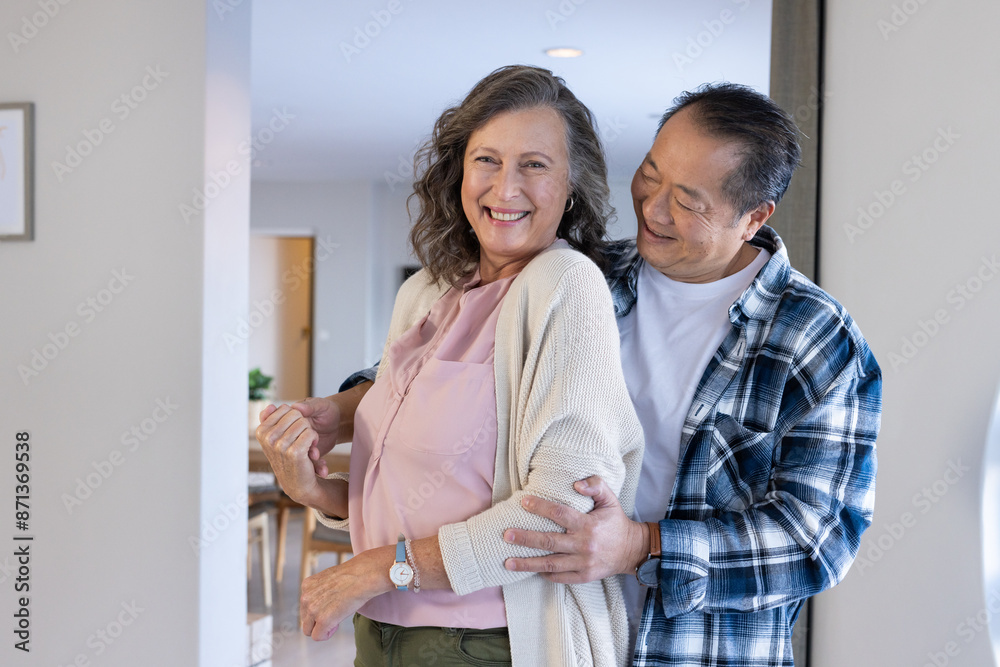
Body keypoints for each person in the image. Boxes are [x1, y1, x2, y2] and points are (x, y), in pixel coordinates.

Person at [342, 83, 881, 666]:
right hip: (565, 635)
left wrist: (641, 546)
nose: (652, 209)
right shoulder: (585, 273)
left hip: (698, 652)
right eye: (651, 173)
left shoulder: (817, 343)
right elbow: (439, 370)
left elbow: (816, 543)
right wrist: (338, 410)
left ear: (754, 216)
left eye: (689, 201)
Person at [256, 65, 643, 667]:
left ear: (572, 187)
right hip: (381, 631)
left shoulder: (564, 285)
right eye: (486, 159)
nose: (505, 187)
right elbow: (407, 487)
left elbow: (561, 515)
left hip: (485, 643)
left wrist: (375, 570)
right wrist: (317, 489)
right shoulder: (428, 291)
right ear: (458, 171)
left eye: (534, 165)